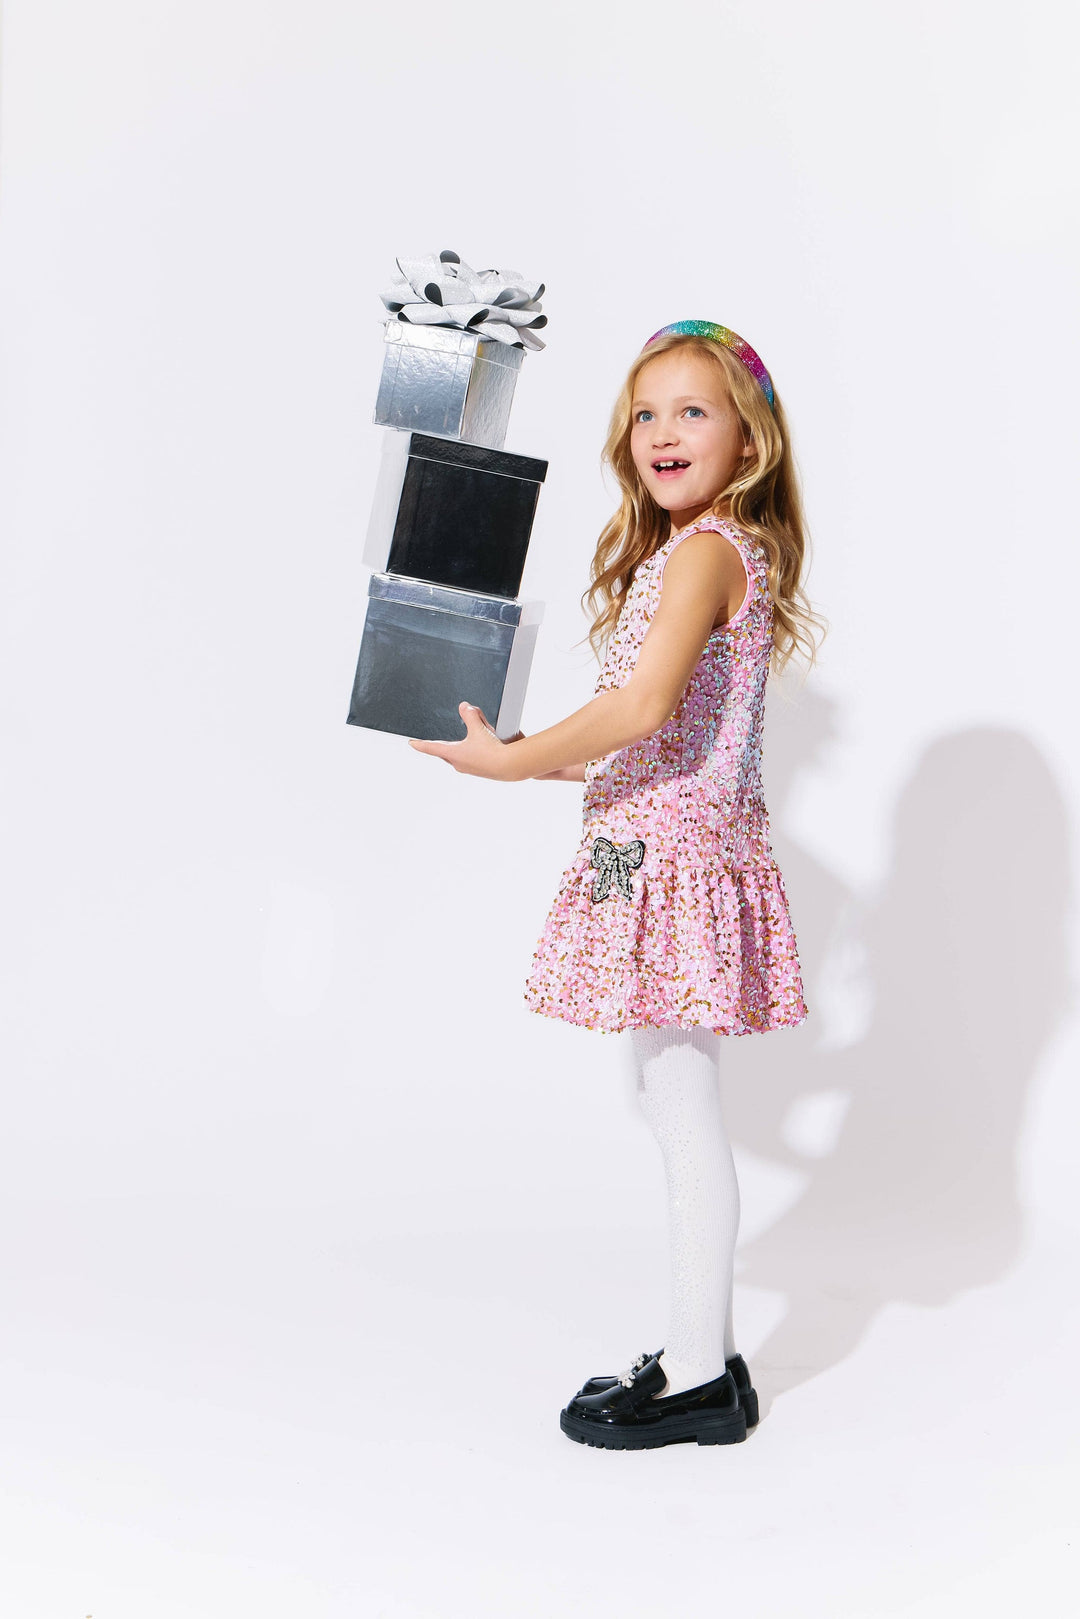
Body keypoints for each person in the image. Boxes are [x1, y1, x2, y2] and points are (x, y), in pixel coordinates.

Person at [408, 319, 820, 1450]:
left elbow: (640, 711)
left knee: (682, 1112)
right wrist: (524, 745)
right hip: (669, 857)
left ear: (749, 441)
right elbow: (656, 729)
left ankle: (699, 1371)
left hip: (676, 870)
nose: (663, 431)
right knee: (668, 1103)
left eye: (694, 409)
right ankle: (700, 1350)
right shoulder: (705, 551)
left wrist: (510, 762)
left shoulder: (704, 553)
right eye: (646, 412)